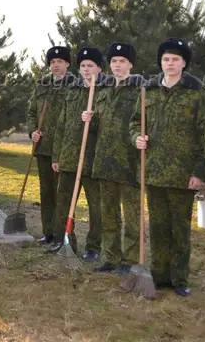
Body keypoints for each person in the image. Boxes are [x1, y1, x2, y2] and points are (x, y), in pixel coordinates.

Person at [129, 38, 205, 297]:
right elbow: (134, 123)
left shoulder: (196, 92)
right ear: (160, 62)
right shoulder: (147, 91)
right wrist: (136, 138)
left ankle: (179, 277)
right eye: (165, 59)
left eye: (175, 59)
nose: (170, 63)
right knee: (158, 227)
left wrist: (200, 172)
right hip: (153, 170)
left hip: (183, 173)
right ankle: (159, 274)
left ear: (184, 63)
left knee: (180, 228)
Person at [48, 47, 109, 259]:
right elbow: (61, 126)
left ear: (99, 68)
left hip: (93, 159)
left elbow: (111, 126)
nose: (86, 69)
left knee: (96, 207)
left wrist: (95, 120)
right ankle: (63, 240)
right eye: (83, 65)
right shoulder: (72, 90)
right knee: (63, 202)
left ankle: (93, 247)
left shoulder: (106, 91)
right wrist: (56, 156)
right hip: (69, 158)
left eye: (90, 65)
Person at [90, 42, 145, 274]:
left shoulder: (140, 90)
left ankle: (130, 260)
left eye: (122, 61)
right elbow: (97, 126)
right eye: (114, 61)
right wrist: (89, 118)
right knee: (109, 215)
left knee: (133, 217)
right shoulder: (102, 91)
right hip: (105, 162)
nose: (118, 65)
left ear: (131, 64)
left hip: (130, 163)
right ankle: (111, 258)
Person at [26, 46, 74, 244]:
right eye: (53, 62)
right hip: (43, 147)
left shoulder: (74, 86)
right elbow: (31, 113)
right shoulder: (42, 86)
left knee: (61, 193)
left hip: (63, 148)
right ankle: (48, 233)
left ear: (67, 64)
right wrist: (32, 131)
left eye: (60, 62)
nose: (56, 65)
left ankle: (62, 234)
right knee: (46, 192)